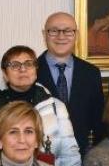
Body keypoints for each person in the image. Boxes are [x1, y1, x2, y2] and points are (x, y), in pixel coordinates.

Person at [36, 11, 105, 152]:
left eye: (68, 31)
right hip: (41, 156)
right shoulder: (30, 72)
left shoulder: (91, 73)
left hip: (83, 156)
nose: (61, 36)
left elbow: (98, 122)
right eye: (54, 31)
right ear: (44, 35)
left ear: (76, 35)